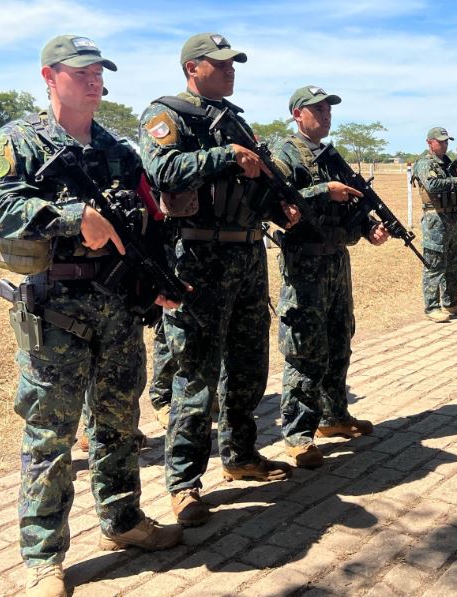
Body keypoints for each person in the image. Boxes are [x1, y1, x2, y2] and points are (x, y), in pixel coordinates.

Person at [0, 35, 182, 597]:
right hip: (55, 311)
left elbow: (149, 221)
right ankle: (44, 556)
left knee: (119, 424)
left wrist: (157, 282)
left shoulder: (119, 150)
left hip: (117, 308)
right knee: (51, 435)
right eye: (81, 72)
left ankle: (122, 521)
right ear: (50, 77)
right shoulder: (19, 140)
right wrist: (73, 217)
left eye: (99, 72)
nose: (94, 81)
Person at [139, 32, 296, 528]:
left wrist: (282, 208)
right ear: (192, 68)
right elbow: (162, 170)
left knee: (249, 364)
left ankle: (241, 454)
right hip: (198, 257)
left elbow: (259, 181)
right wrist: (224, 155)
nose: (231, 71)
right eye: (221, 64)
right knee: (196, 374)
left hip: (248, 254)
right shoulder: (168, 115)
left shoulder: (239, 123)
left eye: (234, 64)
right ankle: (184, 483)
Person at [270, 85, 389, 468]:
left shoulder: (333, 156)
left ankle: (334, 416)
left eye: (328, 109)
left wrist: (370, 228)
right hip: (304, 262)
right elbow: (279, 199)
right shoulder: (283, 152)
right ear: (296, 114)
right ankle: (298, 435)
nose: (324, 115)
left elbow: (352, 201)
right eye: (316, 109)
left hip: (337, 259)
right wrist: (325, 189)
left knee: (339, 337)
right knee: (305, 348)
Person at [412, 127, 457, 322]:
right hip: (435, 219)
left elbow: (451, 191)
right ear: (430, 142)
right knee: (435, 263)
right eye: (441, 141)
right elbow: (432, 185)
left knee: (455, 262)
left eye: (447, 141)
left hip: (452, 216)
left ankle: (452, 302)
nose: (445, 144)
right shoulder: (424, 163)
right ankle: (432, 306)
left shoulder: (447, 164)